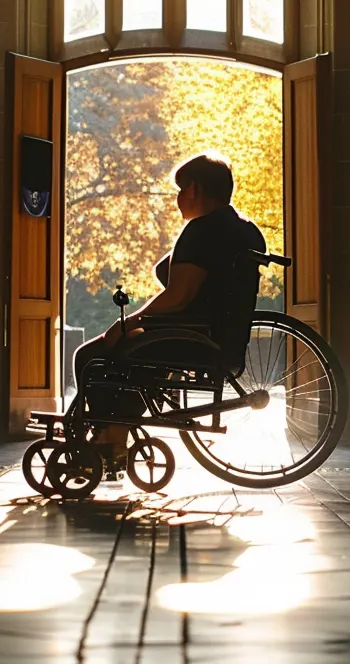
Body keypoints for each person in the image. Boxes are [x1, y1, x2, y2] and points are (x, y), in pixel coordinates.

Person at [69, 152, 268, 465]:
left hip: (189, 338)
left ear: (194, 189)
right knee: (132, 354)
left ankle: (111, 437)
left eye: (180, 189)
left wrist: (127, 323)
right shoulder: (245, 230)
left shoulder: (202, 231)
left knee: (90, 357)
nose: (178, 198)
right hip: (221, 338)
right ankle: (113, 434)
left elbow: (178, 297)